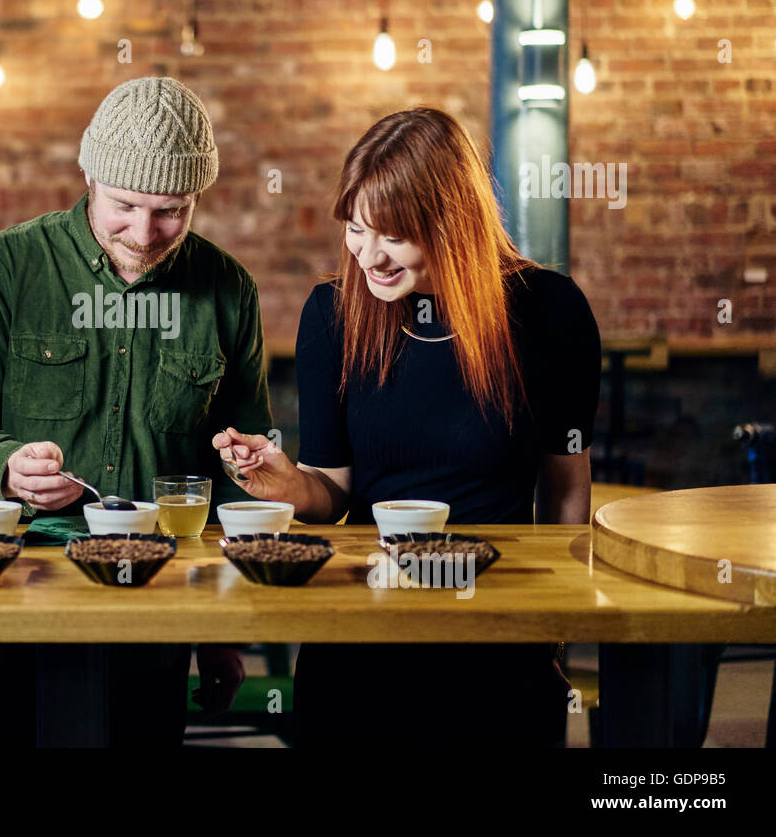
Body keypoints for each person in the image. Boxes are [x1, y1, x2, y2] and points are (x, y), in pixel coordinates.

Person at [213, 107, 601, 747]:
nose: (366, 255)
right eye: (355, 230)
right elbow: (331, 492)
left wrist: (551, 630)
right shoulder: (332, 316)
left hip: (497, 630)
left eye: (390, 235)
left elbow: (565, 489)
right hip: (364, 630)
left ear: (452, 226)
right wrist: (287, 484)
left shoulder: (551, 312)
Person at [0, 76, 273, 746]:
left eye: (172, 210)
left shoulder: (227, 289)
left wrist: (223, 633)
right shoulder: (3, 268)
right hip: (7, 589)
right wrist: (2, 464)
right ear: (88, 174)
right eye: (125, 204)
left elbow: (237, 478)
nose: (144, 232)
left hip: (156, 606)